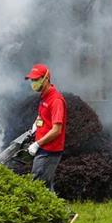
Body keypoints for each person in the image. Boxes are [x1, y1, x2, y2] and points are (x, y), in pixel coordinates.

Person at [24, 63, 67, 192]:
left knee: (37, 186)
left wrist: (37, 144)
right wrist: (36, 123)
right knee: (46, 187)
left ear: (46, 78)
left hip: (49, 151)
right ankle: (66, 213)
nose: (33, 83)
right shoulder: (45, 96)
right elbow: (43, 116)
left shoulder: (56, 101)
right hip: (43, 148)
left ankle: (64, 213)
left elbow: (56, 130)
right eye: (32, 80)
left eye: (36, 79)